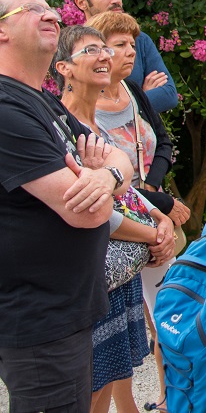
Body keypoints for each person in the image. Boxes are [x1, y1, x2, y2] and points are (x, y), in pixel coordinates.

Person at [0, 0, 131, 413]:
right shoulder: (5, 110)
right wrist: (102, 181)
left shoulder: (40, 100)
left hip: (67, 311)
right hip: (38, 320)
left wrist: (105, 175)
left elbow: (119, 156)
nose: (50, 14)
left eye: (49, 7)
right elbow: (87, 215)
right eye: (31, 10)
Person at [53, 25, 175, 413]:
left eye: (107, 48)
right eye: (92, 50)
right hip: (91, 272)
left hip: (117, 273)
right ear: (64, 68)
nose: (105, 55)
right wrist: (152, 233)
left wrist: (157, 213)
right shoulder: (59, 125)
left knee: (105, 381)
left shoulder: (90, 124)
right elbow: (91, 209)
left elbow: (122, 187)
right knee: (89, 388)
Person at [89, 11, 191, 412]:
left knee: (168, 314)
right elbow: (107, 179)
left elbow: (162, 143)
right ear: (94, 52)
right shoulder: (84, 108)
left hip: (156, 215)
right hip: (126, 225)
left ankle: (169, 397)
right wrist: (162, 203)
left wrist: (155, 195)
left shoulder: (134, 90)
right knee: (124, 326)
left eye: (132, 43)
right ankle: (128, 405)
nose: (130, 51)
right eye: (119, 44)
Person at [70, 0, 177, 113]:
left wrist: (133, 101)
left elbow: (168, 95)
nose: (116, 0)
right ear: (82, 2)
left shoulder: (139, 40)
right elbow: (79, 105)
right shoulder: (74, 46)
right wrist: (141, 97)